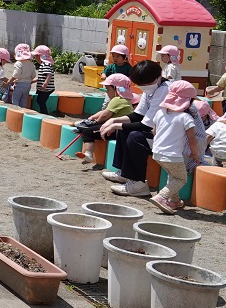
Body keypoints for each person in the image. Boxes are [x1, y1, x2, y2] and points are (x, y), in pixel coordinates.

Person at [100, 59, 169, 198]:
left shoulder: (164, 90)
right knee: (124, 129)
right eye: (141, 84)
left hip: (168, 139)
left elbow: (146, 125)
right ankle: (124, 173)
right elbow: (138, 115)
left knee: (135, 137)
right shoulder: (153, 89)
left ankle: (138, 184)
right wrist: (114, 120)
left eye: (147, 83)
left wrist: (114, 124)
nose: (144, 87)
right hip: (158, 132)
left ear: (158, 76)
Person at [148, 81, 206, 214]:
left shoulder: (160, 113)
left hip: (157, 153)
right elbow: (192, 139)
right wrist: (195, 154)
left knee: (173, 175)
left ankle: (175, 201)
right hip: (173, 155)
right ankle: (161, 197)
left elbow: (155, 132)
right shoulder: (185, 117)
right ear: (188, 101)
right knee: (181, 178)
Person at [75, 74, 136, 165]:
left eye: (108, 89)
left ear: (116, 89)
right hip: (120, 129)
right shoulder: (124, 99)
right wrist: (92, 118)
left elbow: (105, 115)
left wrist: (95, 122)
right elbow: (105, 112)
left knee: (87, 132)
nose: (107, 92)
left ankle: (88, 154)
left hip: (115, 130)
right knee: (91, 129)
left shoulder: (117, 100)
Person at [206, 104, 226, 168]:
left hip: (217, 153)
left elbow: (207, 137)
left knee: (216, 145)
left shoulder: (218, 124)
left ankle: (216, 165)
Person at [33, 45, 56, 115]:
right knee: (40, 100)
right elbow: (42, 77)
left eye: (36, 56)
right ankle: (43, 112)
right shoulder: (44, 64)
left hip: (46, 89)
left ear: (40, 56)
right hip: (45, 88)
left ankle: (44, 113)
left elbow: (49, 75)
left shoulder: (46, 64)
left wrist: (45, 84)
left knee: (40, 101)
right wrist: (33, 81)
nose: (35, 58)